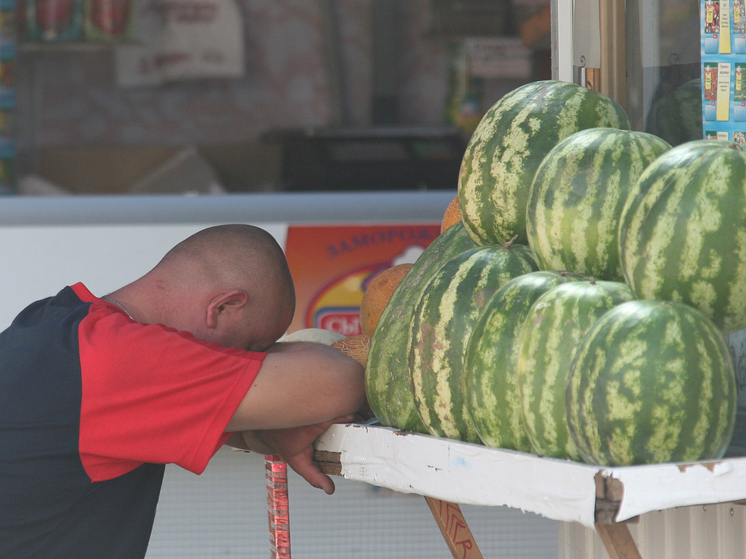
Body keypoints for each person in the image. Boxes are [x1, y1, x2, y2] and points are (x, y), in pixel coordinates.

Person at [0, 224, 367, 558]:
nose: (249, 361)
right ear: (224, 306)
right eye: (255, 347)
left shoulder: (53, 319)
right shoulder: (120, 359)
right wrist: (290, 387)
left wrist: (278, 423)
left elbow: (244, 425)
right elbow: (340, 380)